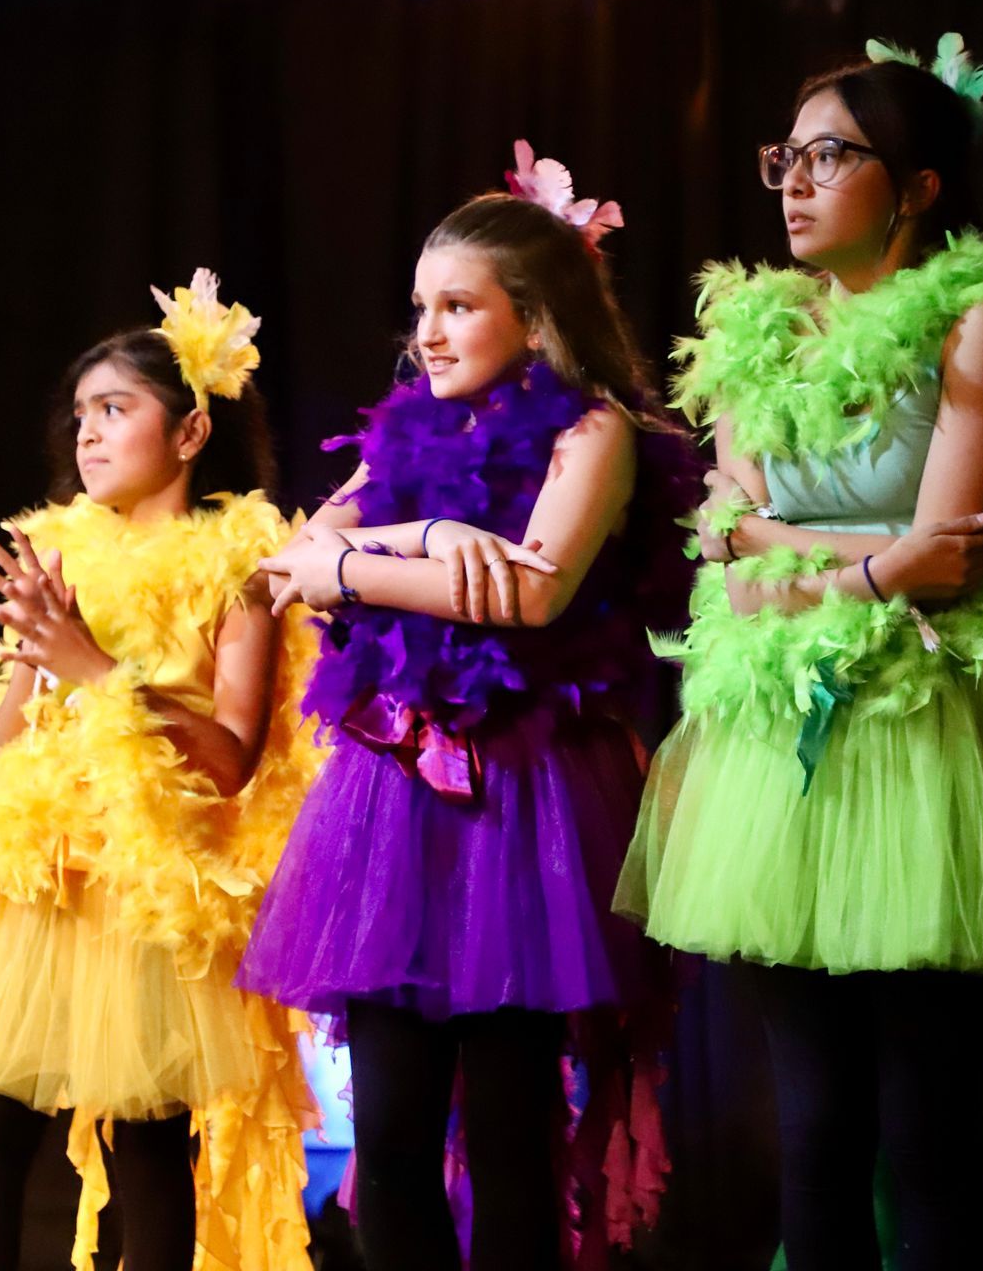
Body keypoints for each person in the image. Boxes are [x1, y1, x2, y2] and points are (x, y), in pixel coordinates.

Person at [614, 35, 983, 1268]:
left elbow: (950, 548)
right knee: (814, 1125)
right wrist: (867, 564)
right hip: (770, 738)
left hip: (917, 734)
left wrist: (818, 557)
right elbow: (727, 541)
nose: (792, 181)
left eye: (830, 156)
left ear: (918, 186)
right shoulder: (749, 330)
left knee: (926, 1126)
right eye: (784, 157)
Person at [238, 143, 693, 1270]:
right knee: (386, 1138)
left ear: (533, 320)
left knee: (506, 1134)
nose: (428, 332)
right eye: (421, 308)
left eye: (459, 307)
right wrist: (432, 534)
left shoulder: (594, 434)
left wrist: (349, 565)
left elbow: (532, 590)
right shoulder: (404, 436)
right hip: (392, 803)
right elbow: (292, 556)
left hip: (520, 804)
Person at [0, 271, 322, 1271]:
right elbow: (8, 744)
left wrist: (96, 669)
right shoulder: (56, 555)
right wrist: (41, 662)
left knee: (152, 1142)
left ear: (190, 433)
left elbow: (231, 759)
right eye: (80, 413)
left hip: (156, 886)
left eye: (115, 408)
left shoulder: (239, 569)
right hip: (49, 872)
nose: (87, 432)